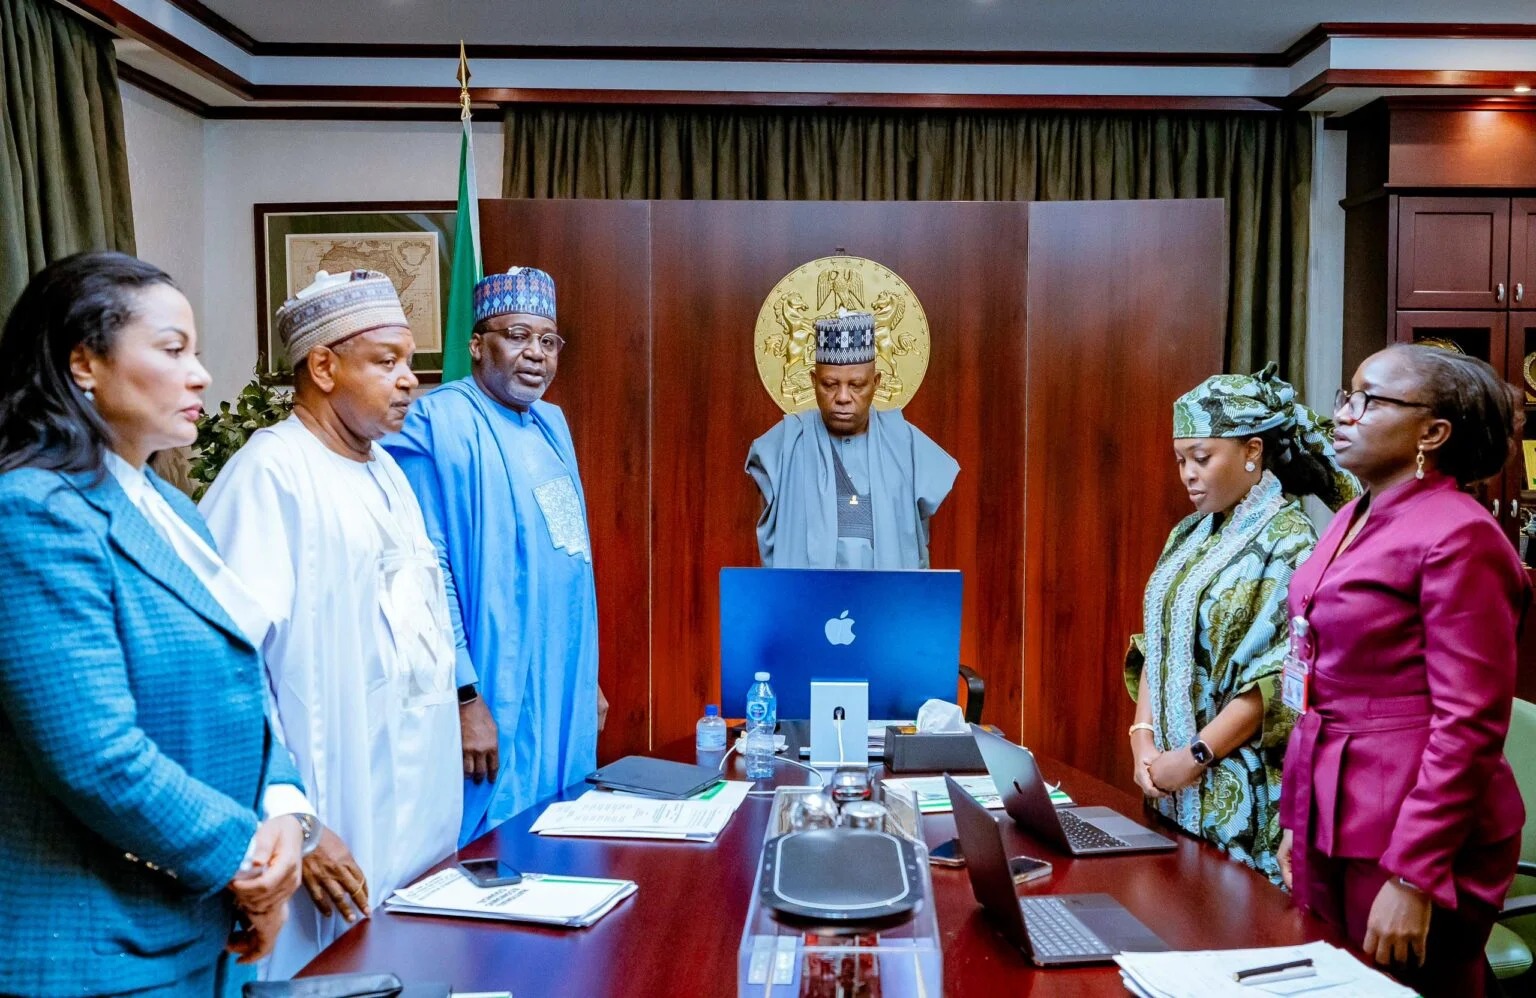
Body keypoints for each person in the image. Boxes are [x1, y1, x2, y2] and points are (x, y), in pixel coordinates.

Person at [0, 252, 308, 996]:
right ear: (84, 363)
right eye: (173, 351)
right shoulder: (32, 513)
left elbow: (242, 682)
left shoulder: (172, 509)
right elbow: (96, 757)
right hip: (97, 947)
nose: (200, 374)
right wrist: (248, 860)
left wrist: (285, 813)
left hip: (197, 925)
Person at [200, 270, 462, 976]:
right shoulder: (270, 475)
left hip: (414, 820)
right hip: (329, 819)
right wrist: (300, 823)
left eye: (409, 361)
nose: (409, 380)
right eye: (386, 361)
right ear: (322, 367)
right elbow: (224, 674)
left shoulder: (388, 473)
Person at [1278, 345, 1528, 996]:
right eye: (1346, 395)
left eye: (1369, 400)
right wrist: (1297, 820)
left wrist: (1416, 874)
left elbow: (1470, 724)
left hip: (1411, 822)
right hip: (1335, 799)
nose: (1344, 413)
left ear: (1432, 433)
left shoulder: (1460, 535)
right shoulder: (1353, 515)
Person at [384, 266, 604, 844]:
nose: (536, 354)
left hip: (562, 678)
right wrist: (464, 696)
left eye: (548, 340)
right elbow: (425, 574)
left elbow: (571, 562)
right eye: (517, 335)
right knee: (495, 849)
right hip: (492, 677)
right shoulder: (435, 421)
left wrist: (589, 681)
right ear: (478, 345)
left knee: (562, 830)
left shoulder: (551, 422)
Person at [1125, 363, 1357, 885]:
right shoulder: (1188, 534)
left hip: (1239, 792)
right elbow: (1160, 643)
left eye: (1202, 458)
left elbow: (1278, 678)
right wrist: (1143, 741)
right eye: (1180, 460)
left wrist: (1194, 755)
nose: (1188, 474)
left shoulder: (1291, 541)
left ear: (1252, 450)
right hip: (1168, 784)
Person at [746, 310, 958, 568]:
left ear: (876, 382)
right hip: (804, 595)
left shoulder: (908, 445)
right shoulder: (782, 445)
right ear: (813, 381)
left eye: (856, 385)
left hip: (889, 594)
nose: (843, 397)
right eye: (830, 384)